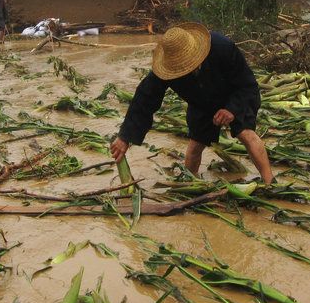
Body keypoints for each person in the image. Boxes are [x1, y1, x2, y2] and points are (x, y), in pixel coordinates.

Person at [111, 22, 274, 184]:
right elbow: (144, 100)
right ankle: (190, 183)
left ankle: (269, 182)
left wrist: (231, 110)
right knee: (196, 144)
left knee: (246, 134)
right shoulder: (166, 68)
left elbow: (248, 85)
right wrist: (125, 137)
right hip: (201, 102)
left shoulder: (221, 47)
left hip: (234, 95)